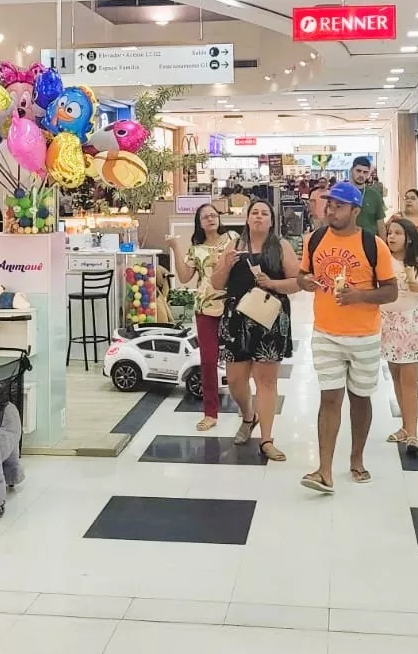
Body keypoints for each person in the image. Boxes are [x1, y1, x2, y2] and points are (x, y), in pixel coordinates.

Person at [296, 181, 399, 493]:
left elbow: (391, 291)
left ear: (356, 211)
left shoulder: (373, 244)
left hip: (364, 335)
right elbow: (301, 276)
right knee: (329, 398)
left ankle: (356, 458)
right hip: (326, 332)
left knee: (360, 397)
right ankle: (324, 470)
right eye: (329, 204)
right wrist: (306, 283)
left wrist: (359, 296)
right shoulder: (314, 239)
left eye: (339, 205)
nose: (331, 210)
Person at [212, 199, 299, 461]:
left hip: (270, 319)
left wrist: (272, 283)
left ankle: (267, 439)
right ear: (247, 219)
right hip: (236, 320)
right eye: (254, 213)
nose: (259, 217)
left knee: (266, 381)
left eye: (264, 213)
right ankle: (249, 416)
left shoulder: (281, 246)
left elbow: (297, 283)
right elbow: (216, 283)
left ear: (271, 221)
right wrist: (226, 264)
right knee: (236, 380)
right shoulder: (234, 245)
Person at [167, 204, 237, 431]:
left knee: (239, 360)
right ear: (199, 222)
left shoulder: (233, 239)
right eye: (205, 216)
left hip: (233, 306)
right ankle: (210, 412)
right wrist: (175, 247)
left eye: (213, 215)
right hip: (205, 307)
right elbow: (185, 276)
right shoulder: (195, 249)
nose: (210, 219)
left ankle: (246, 409)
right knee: (208, 361)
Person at [382, 218, 418, 455]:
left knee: (409, 380)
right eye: (390, 233)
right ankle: (405, 426)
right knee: (396, 377)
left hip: (411, 323)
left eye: (398, 233)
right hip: (387, 323)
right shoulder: (383, 262)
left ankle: (413, 434)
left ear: (408, 237)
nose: (392, 237)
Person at [349, 156, 386, 235]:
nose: (361, 175)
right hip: (346, 241)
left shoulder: (374, 195)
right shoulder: (343, 192)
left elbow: (381, 225)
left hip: (370, 241)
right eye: (358, 171)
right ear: (352, 170)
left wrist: (384, 246)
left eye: (365, 172)